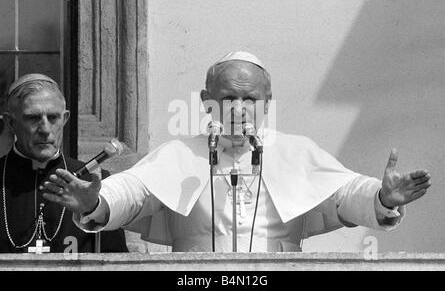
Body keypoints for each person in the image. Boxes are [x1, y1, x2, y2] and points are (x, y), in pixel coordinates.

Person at [43, 52, 432, 252]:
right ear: (206, 100)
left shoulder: (297, 152)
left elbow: (345, 194)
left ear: (267, 101)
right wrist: (96, 203)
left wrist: (382, 198)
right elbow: (132, 191)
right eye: (228, 97)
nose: (239, 108)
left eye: (250, 98)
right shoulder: (179, 153)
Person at [0, 74, 128, 253]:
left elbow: (117, 262)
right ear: (11, 123)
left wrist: (94, 208)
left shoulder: (95, 183)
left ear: (65, 119)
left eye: (53, 118)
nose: (45, 129)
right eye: (33, 118)